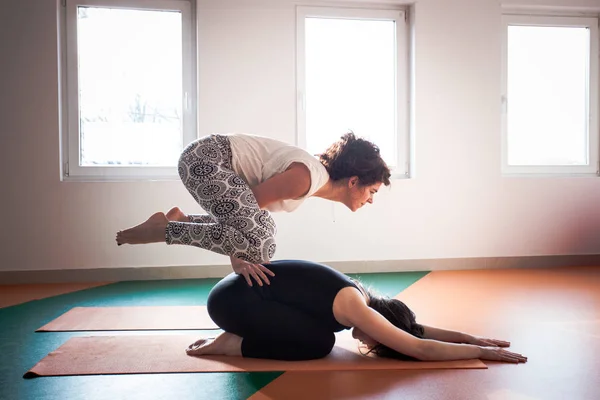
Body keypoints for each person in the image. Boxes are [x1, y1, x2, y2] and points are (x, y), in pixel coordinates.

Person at [116, 132, 391, 286]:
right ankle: (165, 229)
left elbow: (246, 211)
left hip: (208, 160)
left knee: (264, 232)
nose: (370, 200)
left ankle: (179, 221)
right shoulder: (306, 177)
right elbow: (251, 206)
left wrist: (240, 247)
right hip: (205, 158)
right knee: (260, 244)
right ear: (354, 181)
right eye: (372, 191)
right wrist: (238, 255)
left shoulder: (311, 180)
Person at [185, 260, 528, 364]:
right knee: (319, 344)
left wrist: (470, 337)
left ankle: (238, 336)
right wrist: (482, 352)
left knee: (322, 335)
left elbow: (416, 331)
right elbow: (418, 347)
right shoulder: (353, 306)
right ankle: (232, 344)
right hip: (233, 303)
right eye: (377, 342)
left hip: (235, 293)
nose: (369, 343)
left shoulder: (359, 296)